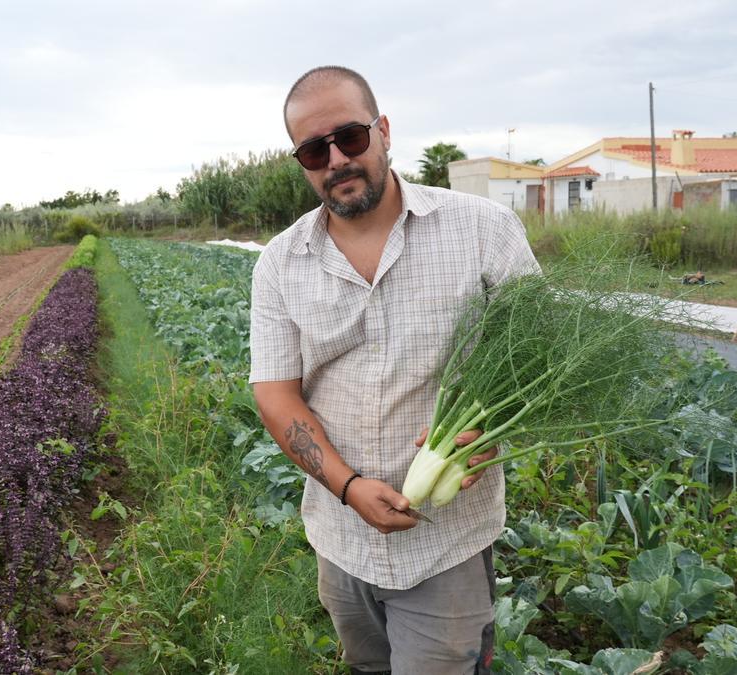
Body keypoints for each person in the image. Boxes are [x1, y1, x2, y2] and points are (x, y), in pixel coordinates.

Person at [248, 65, 540, 674]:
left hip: (448, 542)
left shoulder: (484, 231)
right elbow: (276, 395)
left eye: (350, 137)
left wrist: (495, 432)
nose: (335, 160)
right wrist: (349, 488)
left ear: (383, 131)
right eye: (313, 149)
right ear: (301, 161)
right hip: (340, 539)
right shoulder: (280, 263)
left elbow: (543, 362)